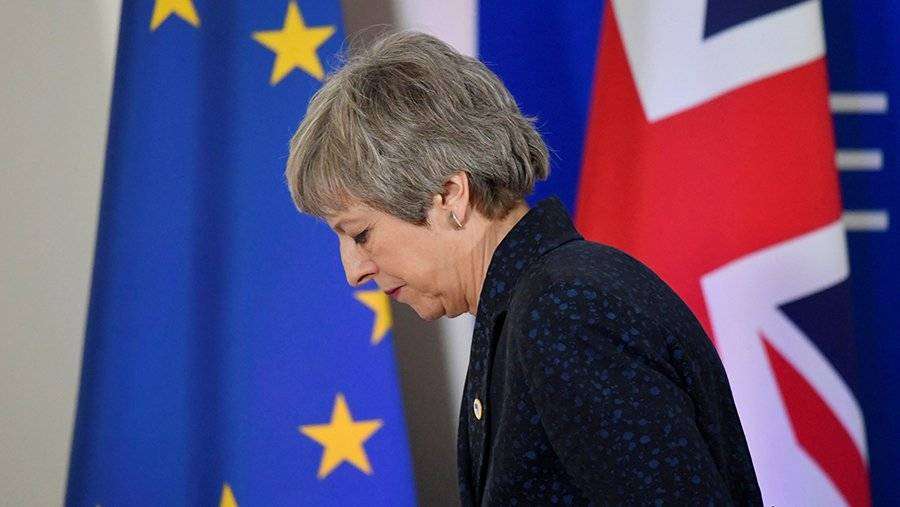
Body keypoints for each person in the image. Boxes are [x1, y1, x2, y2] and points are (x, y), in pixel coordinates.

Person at [284, 31, 762, 506]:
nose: (354, 271)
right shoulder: (532, 308)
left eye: (360, 233)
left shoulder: (563, 314)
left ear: (450, 196)